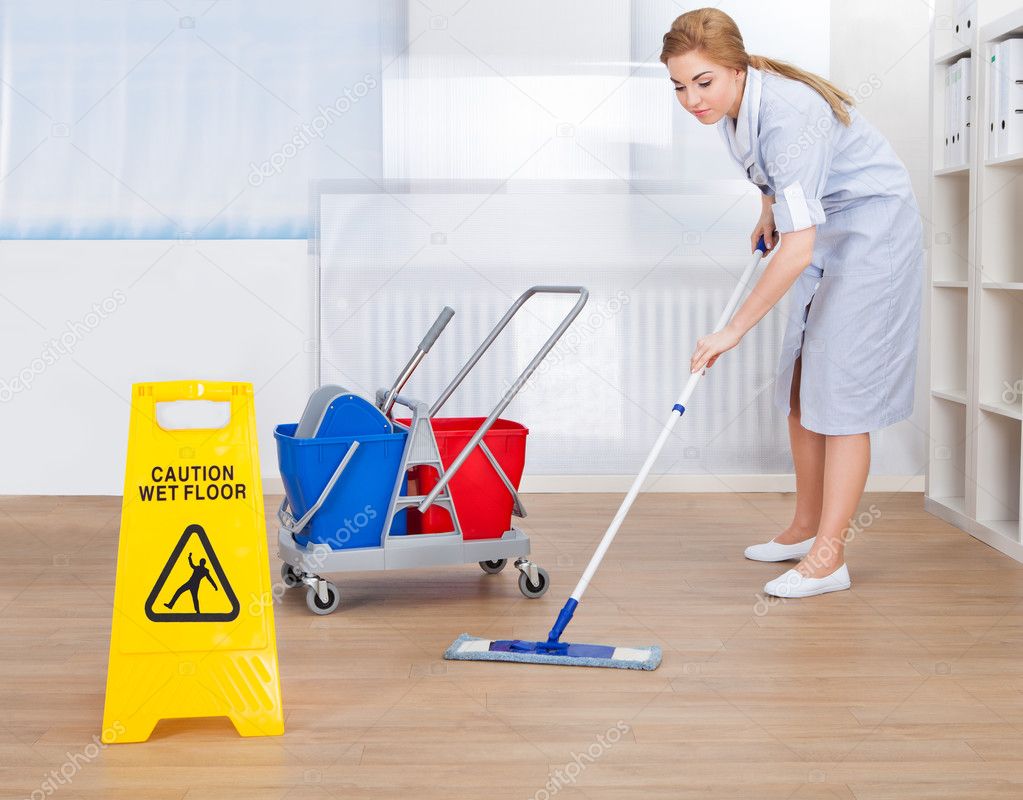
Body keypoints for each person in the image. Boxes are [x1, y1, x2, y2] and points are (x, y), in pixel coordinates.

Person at [661, 9, 924, 598]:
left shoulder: (787, 111)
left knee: (843, 397)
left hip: (872, 232)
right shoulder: (734, 111)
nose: (690, 98)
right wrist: (767, 209)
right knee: (802, 385)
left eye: (702, 82)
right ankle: (806, 528)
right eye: (678, 86)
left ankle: (830, 559)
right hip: (826, 227)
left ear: (736, 68)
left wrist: (731, 330)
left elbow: (798, 246)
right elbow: (780, 178)